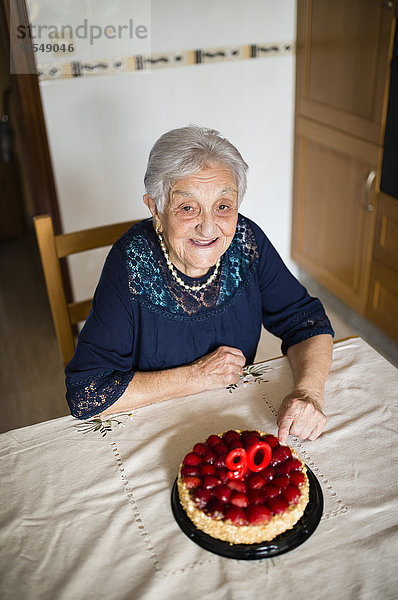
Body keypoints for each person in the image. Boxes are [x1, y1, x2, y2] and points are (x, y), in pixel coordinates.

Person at [65, 125, 334, 442]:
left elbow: (307, 322)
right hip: (153, 427)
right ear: (156, 209)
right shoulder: (131, 263)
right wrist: (196, 377)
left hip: (231, 420)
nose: (208, 228)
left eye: (223, 206)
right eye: (188, 208)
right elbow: (87, 393)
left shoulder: (246, 242)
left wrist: (308, 392)